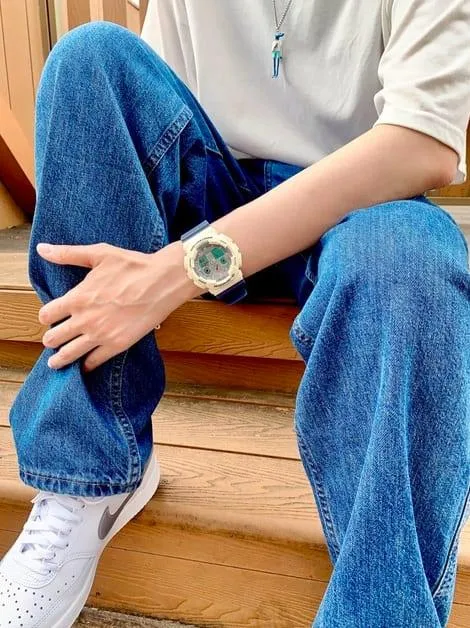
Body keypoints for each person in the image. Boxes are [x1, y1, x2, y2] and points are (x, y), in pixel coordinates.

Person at [1, 0, 469, 626]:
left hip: (363, 205)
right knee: (90, 60)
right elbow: (149, 114)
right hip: (217, 188)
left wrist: (178, 270)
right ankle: (91, 474)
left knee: (409, 257)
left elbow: (421, 146)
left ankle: (381, 614)